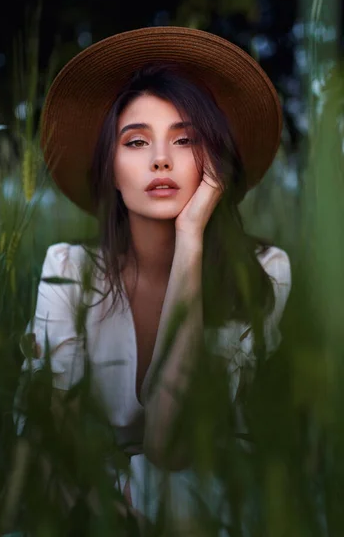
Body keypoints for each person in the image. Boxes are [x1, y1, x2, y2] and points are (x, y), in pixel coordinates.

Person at [17, 27, 291, 533]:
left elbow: (172, 444)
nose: (161, 159)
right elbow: (48, 434)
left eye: (186, 140)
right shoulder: (70, 270)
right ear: (111, 170)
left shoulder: (265, 270)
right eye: (137, 141)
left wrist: (191, 239)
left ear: (217, 165)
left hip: (207, 490)